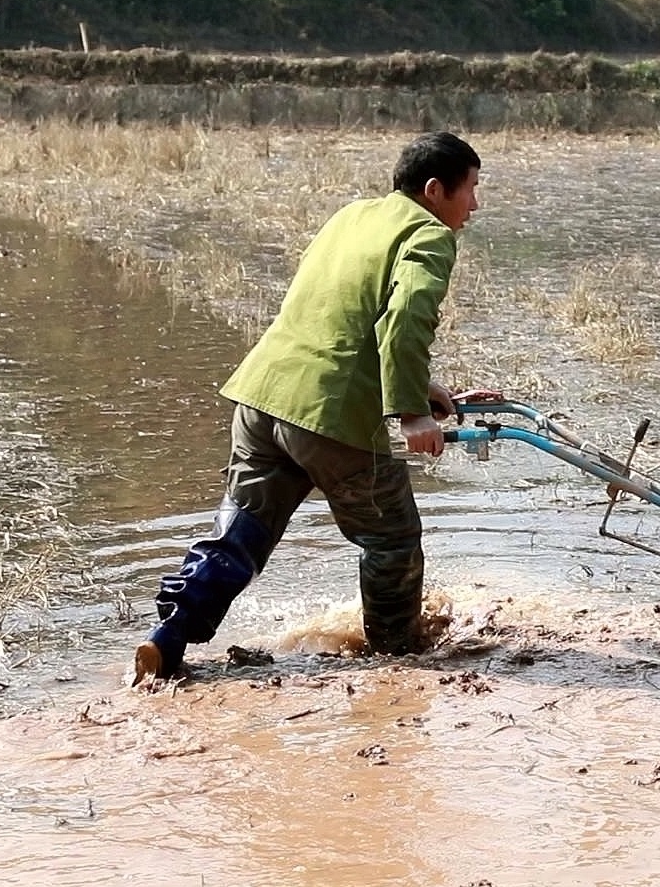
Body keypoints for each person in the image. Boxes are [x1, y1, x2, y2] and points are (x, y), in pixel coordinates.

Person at [132, 131, 484, 685]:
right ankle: (397, 663)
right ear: (436, 190)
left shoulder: (352, 217)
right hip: (331, 415)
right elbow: (406, 320)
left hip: (264, 396)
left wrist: (423, 388)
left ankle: (168, 638)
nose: (475, 205)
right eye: (471, 189)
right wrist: (412, 413)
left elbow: (340, 313)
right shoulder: (428, 234)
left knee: (243, 528)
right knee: (390, 537)